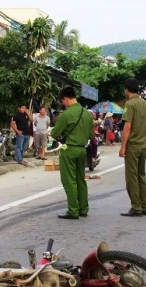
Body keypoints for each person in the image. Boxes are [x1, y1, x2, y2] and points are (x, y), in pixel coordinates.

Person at [51, 86, 94, 219]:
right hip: (82, 150)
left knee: (69, 180)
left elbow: (54, 133)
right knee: (81, 179)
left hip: (69, 150)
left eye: (62, 101)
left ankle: (73, 210)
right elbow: (91, 134)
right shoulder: (87, 113)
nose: (63, 104)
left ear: (65, 99)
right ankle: (83, 208)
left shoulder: (66, 114)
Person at [119, 78, 146, 217]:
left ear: (126, 89)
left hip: (133, 146)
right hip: (144, 145)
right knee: (141, 176)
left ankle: (136, 207)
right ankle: (145, 206)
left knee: (131, 178)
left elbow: (127, 126)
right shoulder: (145, 104)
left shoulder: (130, 104)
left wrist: (123, 146)